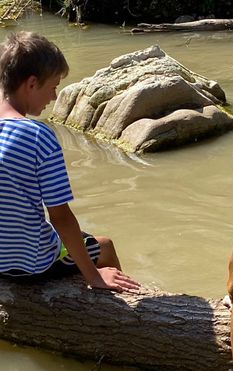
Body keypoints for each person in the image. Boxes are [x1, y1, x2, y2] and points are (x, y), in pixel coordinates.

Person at [0, 31, 140, 292]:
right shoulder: (37, 136)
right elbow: (60, 217)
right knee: (105, 245)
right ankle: (118, 310)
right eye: (53, 87)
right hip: (29, 267)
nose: (54, 98)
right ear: (31, 84)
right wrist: (94, 278)